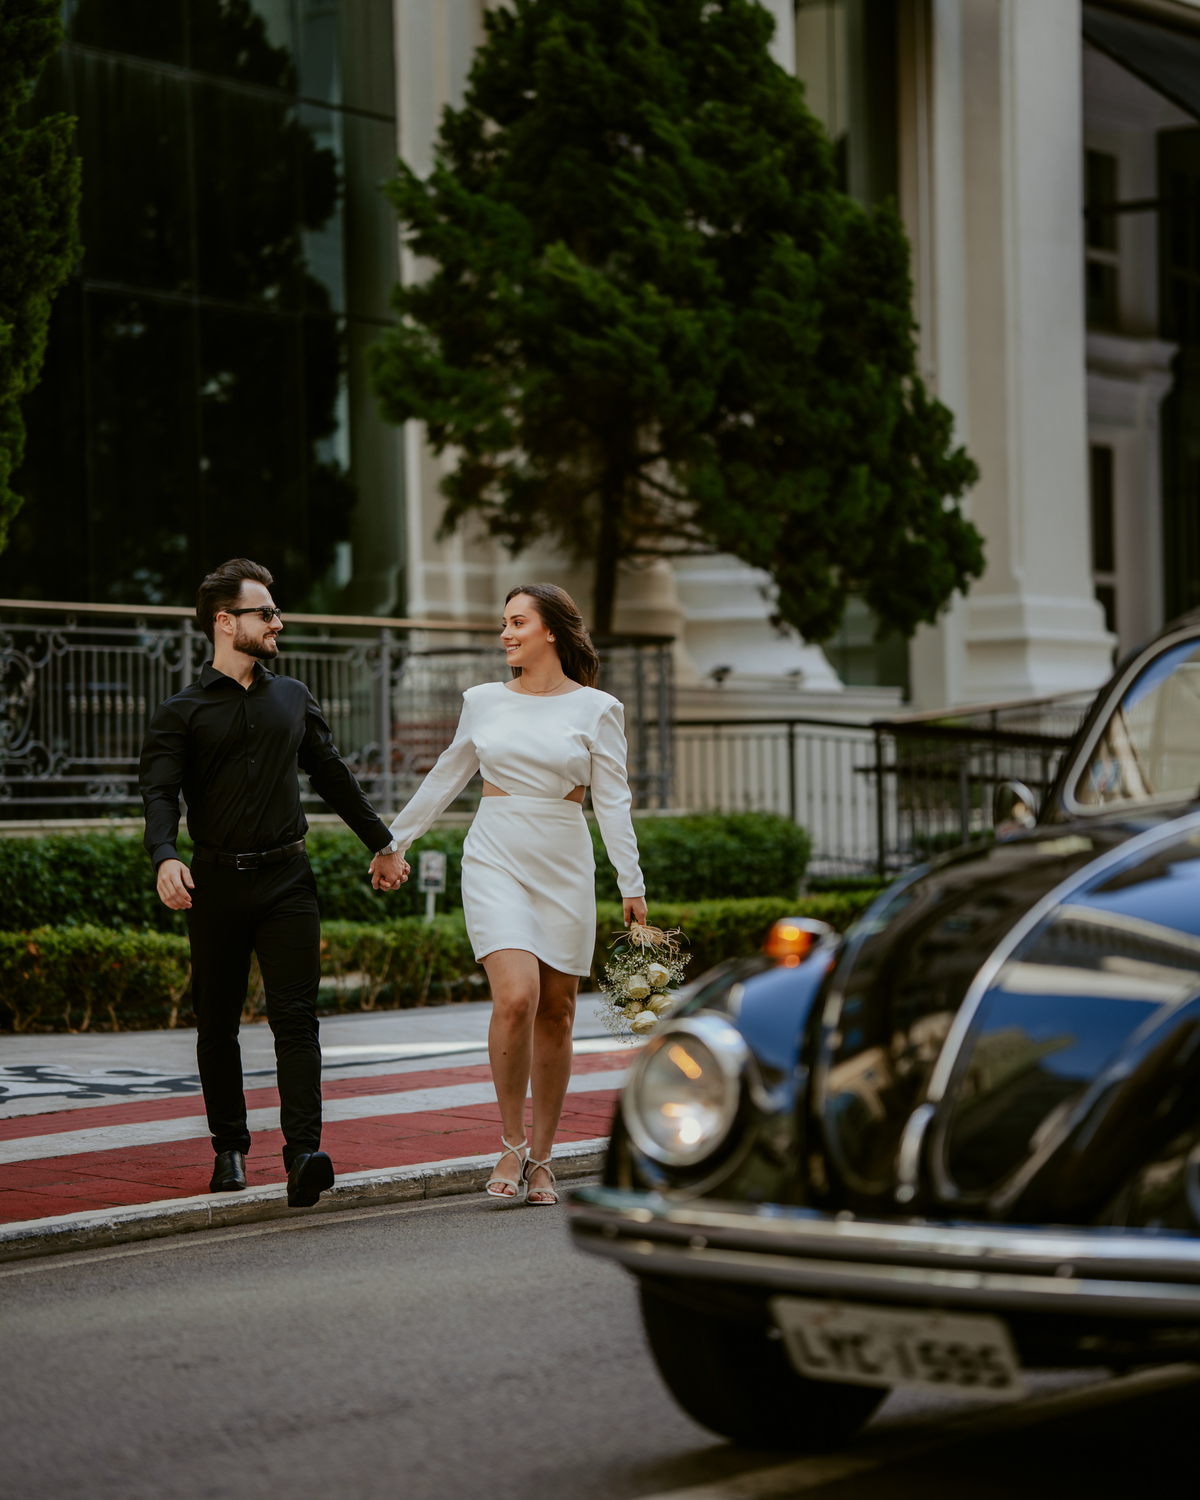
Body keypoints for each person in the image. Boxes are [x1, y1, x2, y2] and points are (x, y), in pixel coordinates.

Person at [138, 559, 407, 1206]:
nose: (278, 622)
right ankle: (228, 1147)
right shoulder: (181, 711)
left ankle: (302, 1155)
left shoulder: (292, 697)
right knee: (217, 1024)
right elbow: (159, 793)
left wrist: (384, 843)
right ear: (226, 622)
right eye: (267, 613)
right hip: (216, 885)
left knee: (297, 1019)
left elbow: (333, 774)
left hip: (289, 879)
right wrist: (164, 855)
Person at [381, 584, 647, 1205]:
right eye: (503, 623)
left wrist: (630, 884)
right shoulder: (482, 701)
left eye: (517, 622)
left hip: (564, 858)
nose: (505, 633)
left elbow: (614, 801)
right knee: (518, 997)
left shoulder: (598, 709)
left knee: (557, 1012)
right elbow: (447, 773)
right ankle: (509, 1142)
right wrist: (395, 842)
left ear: (550, 631)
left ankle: (545, 1158)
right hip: (495, 851)